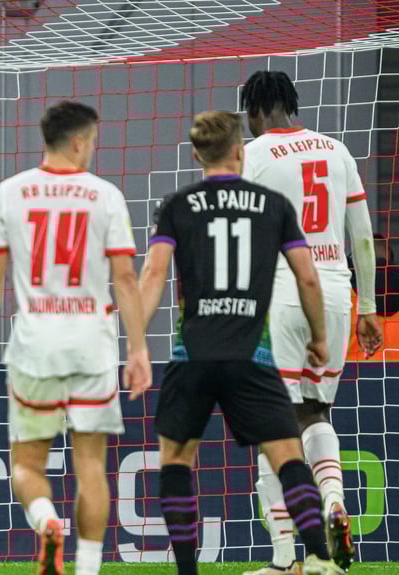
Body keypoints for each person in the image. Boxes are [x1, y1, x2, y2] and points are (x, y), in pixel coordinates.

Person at [139, 110, 343, 575]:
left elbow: (152, 274)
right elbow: (308, 278)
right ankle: (318, 557)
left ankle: (187, 571)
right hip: (253, 352)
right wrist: (319, 339)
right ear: (239, 151)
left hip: (193, 353)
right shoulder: (273, 205)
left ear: (195, 155)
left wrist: (135, 341)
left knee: (176, 460)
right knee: (287, 454)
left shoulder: (178, 205)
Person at [0, 101, 152, 575]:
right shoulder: (105, 195)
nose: (92, 149)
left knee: (27, 464)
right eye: (91, 141)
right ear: (77, 141)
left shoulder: (12, 192)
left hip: (35, 344)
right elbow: (126, 279)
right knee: (90, 465)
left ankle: (47, 522)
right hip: (92, 341)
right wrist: (138, 349)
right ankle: (87, 568)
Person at [240, 70, 383, 574]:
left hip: (282, 293)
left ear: (255, 111)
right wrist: (367, 307)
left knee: (270, 424)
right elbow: (362, 235)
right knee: (316, 410)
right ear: (290, 105)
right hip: (336, 295)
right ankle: (332, 503)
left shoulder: (252, 155)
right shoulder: (337, 150)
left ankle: (283, 560)